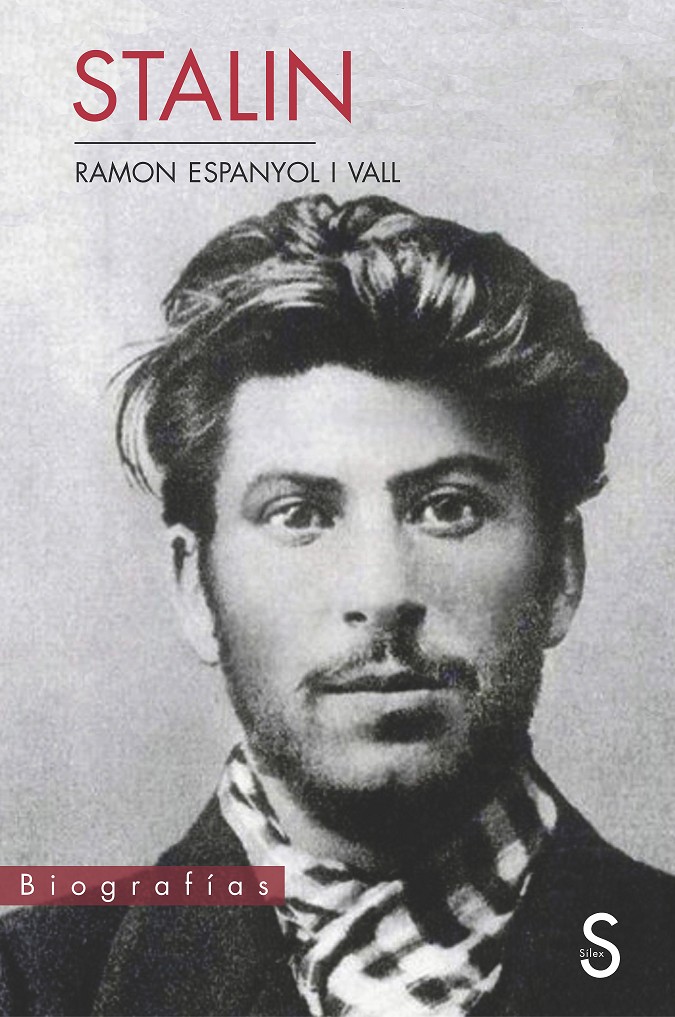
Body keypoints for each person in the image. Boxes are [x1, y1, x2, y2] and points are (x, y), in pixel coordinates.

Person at [1, 194, 673, 1017]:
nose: (379, 592)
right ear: (195, 586)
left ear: (561, 569)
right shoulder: (28, 987)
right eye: (299, 515)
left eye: (448, 507)